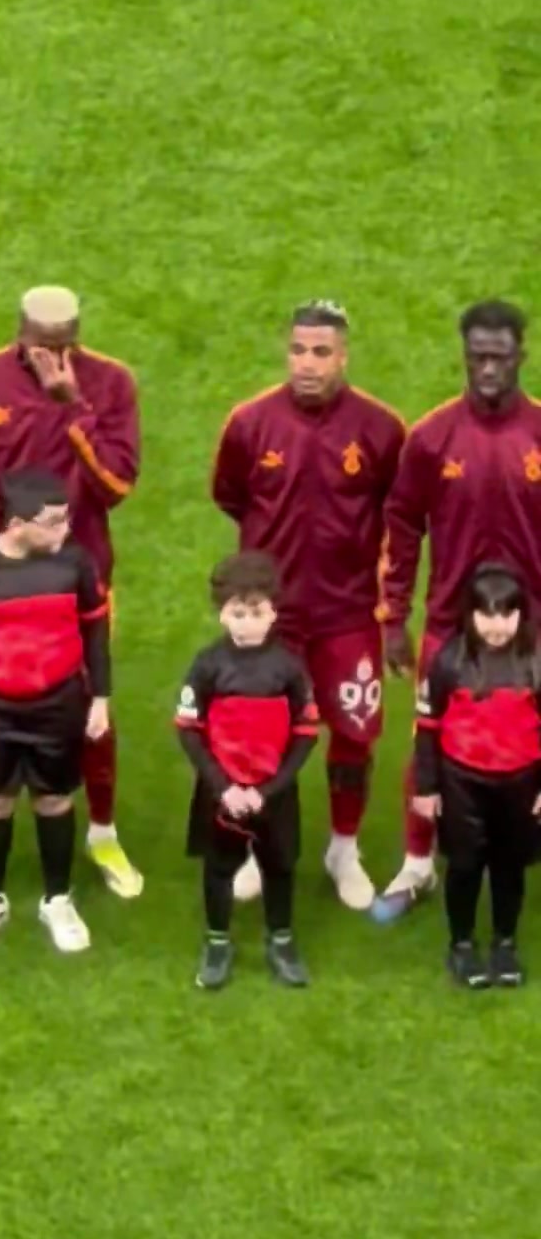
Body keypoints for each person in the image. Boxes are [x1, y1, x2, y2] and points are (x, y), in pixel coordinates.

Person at [0, 285, 142, 899]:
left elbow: (116, 485)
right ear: (20, 333)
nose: (53, 355)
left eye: (64, 344)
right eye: (42, 344)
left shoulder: (110, 384)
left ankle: (102, 830)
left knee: (89, 710)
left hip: (79, 578)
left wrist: (72, 407)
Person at [211, 300, 404, 911]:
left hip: (348, 615)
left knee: (352, 736)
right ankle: (257, 847)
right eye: (298, 350)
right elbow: (231, 496)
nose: (308, 363)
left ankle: (343, 849)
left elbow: (397, 512)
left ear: (343, 356)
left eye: (321, 352)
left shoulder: (381, 429)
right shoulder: (250, 424)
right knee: (260, 734)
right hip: (271, 619)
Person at [376, 300, 541, 918]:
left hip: (533, 625)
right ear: (465, 358)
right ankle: (418, 864)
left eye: (499, 357)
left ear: (521, 356)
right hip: (450, 624)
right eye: (478, 357)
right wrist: (394, 617)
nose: (488, 369)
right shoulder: (432, 437)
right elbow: (401, 525)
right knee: (428, 736)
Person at [0, 468, 111, 954]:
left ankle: (57, 900)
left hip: (58, 706)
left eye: (66, 519)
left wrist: (101, 697)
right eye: (54, 522)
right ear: (17, 525)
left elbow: (96, 630)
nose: (65, 530)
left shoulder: (76, 565)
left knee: (54, 800)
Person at [175, 550, 320, 990]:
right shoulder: (207, 665)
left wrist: (269, 790)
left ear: (274, 612)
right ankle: (217, 942)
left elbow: (306, 733)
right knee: (218, 867)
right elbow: (189, 730)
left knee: (279, 866)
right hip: (221, 793)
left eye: (256, 613)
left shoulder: (289, 668)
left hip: (273, 793)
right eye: (237, 613)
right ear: (222, 613)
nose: (247, 623)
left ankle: (282, 940)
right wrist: (224, 787)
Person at [412, 565, 541, 987]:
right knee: (464, 865)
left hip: (521, 784)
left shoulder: (536, 662)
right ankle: (462, 945)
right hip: (462, 784)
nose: (497, 625)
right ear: (470, 615)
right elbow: (427, 728)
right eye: (487, 614)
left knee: (510, 867)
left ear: (521, 615)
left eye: (506, 614)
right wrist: (427, 787)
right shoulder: (448, 661)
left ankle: (505, 944)